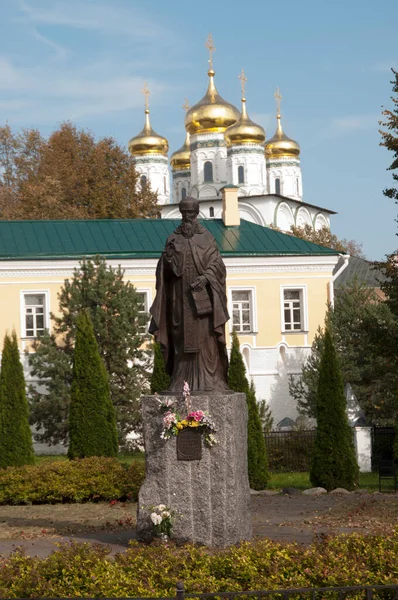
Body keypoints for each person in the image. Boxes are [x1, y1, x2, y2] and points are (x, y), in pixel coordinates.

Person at [149, 196, 230, 392]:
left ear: (197, 213)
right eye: (184, 213)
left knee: (206, 339)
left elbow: (217, 264)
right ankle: (180, 380)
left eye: (191, 213)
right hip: (179, 298)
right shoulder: (173, 239)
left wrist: (206, 277)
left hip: (202, 302)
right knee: (179, 339)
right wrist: (167, 260)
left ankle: (210, 380)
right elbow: (165, 271)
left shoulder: (207, 237)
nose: (187, 217)